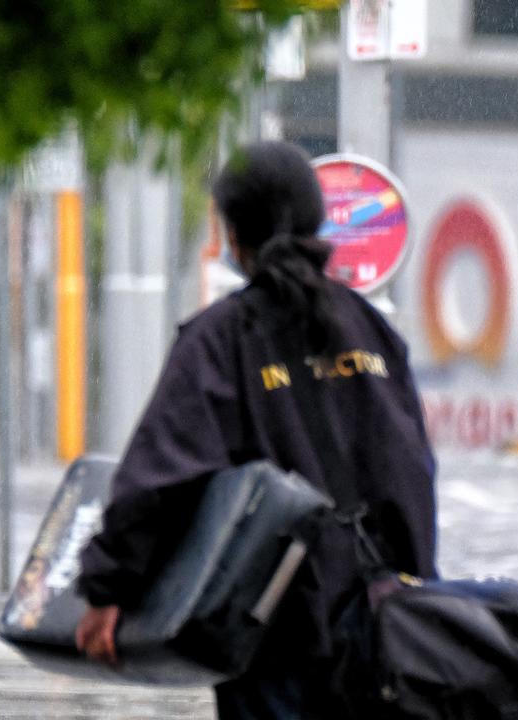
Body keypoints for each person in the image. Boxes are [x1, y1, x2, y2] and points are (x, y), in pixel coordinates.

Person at [73, 141, 437, 719]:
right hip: (380, 627)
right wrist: (416, 587)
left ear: (233, 236)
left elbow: (161, 476)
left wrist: (107, 590)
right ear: (317, 218)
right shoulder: (371, 330)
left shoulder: (219, 340)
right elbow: (411, 469)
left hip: (271, 628)